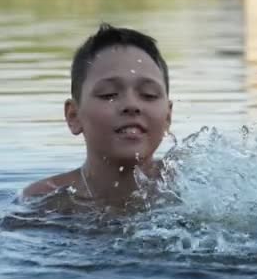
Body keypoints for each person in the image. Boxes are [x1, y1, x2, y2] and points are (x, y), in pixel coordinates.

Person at [22, 23, 173, 212]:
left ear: (168, 116)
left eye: (149, 94)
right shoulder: (46, 200)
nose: (132, 105)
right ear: (74, 116)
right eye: (108, 94)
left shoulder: (195, 186)